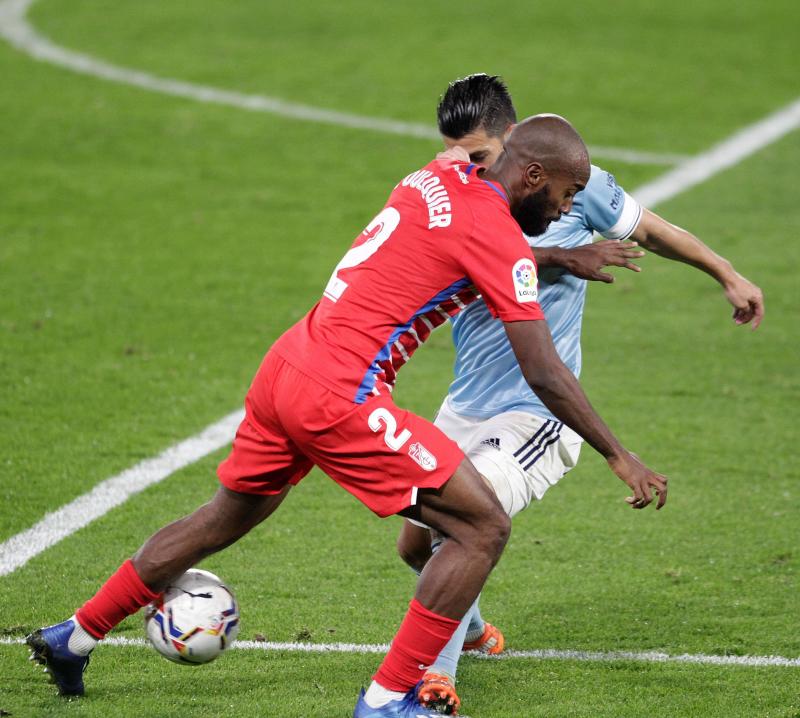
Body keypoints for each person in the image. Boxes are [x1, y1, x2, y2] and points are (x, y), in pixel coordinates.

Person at [26, 115, 667, 718]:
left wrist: (556, 257)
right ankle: (389, 700)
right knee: (481, 527)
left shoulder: (434, 176)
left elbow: (462, 214)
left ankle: (73, 637)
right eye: (565, 193)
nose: (565, 210)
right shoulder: (497, 235)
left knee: (223, 516)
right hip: (339, 393)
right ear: (531, 176)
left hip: (287, 365)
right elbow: (544, 372)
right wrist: (618, 453)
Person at [396, 74, 764, 715]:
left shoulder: (572, 189)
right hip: (467, 401)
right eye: (457, 156)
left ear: (519, 150)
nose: (468, 170)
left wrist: (725, 273)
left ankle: (435, 680)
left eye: (480, 157)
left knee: (461, 528)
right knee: (413, 543)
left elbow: (649, 230)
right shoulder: (453, 197)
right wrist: (564, 260)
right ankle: (475, 628)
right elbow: (478, 266)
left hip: (539, 411)